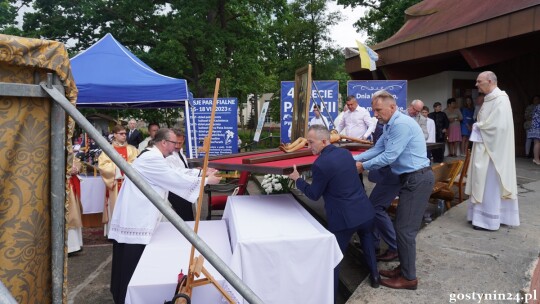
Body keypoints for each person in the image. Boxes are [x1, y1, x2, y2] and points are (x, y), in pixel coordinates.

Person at [108, 128, 221, 304]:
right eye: (174, 143)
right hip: (136, 219)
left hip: (138, 215)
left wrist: (201, 173)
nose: (176, 147)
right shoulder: (151, 158)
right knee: (131, 263)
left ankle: (126, 295)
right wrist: (206, 181)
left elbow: (174, 171)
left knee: (130, 261)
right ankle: (125, 298)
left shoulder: (155, 156)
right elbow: (172, 177)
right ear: (164, 143)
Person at [288, 125, 379, 299]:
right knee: (367, 243)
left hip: (344, 219)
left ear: (324, 141)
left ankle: (332, 295)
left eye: (311, 143)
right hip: (365, 211)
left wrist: (298, 180)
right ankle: (375, 276)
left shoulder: (321, 164)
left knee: (334, 258)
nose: (309, 147)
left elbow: (314, 195)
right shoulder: (345, 153)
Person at [354, 90, 434, 290]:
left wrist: (363, 166)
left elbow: (388, 157)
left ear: (392, 107)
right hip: (410, 178)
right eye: (374, 110)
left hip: (417, 179)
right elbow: (376, 149)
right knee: (402, 227)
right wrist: (350, 159)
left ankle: (409, 278)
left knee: (405, 230)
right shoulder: (389, 125)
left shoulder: (401, 124)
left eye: (378, 110)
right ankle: (404, 268)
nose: (375, 114)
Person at [466, 71, 520, 231]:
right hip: (484, 147)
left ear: (489, 81)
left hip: (493, 152)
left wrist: (478, 126)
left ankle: (488, 220)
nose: (476, 84)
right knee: (480, 180)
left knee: (490, 184)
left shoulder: (501, 99)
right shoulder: (489, 98)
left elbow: (500, 126)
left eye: (479, 81)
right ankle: (477, 216)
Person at [97, 125, 139, 235]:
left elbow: (137, 164)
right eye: (121, 134)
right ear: (115, 135)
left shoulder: (132, 149)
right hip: (115, 183)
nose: (124, 136)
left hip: (129, 183)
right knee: (115, 207)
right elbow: (103, 166)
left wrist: (125, 166)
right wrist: (118, 168)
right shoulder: (108, 150)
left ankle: (129, 230)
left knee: (129, 206)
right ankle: (114, 232)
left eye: (125, 133)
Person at [165, 128, 197, 220]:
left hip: (184, 189)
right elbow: (177, 172)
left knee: (188, 217)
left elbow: (183, 169)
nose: (178, 146)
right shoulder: (169, 155)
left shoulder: (180, 153)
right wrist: (197, 173)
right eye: (176, 143)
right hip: (175, 191)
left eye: (180, 143)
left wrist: (194, 171)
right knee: (183, 218)